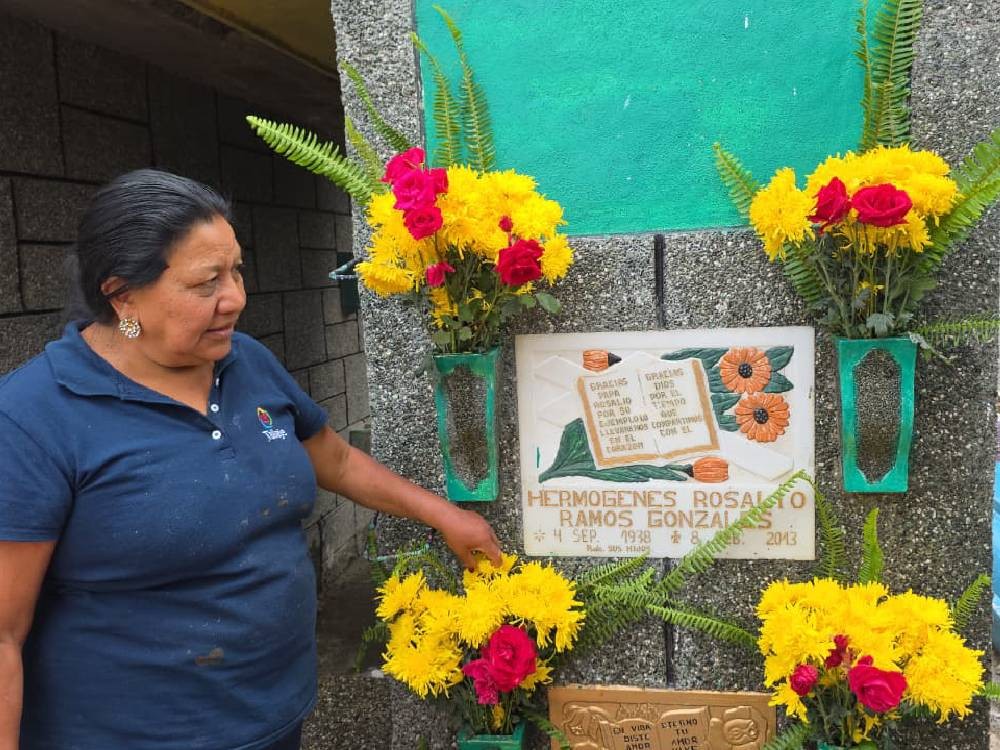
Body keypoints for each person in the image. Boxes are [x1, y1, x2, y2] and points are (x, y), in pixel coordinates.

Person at [0, 169, 501, 750]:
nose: (235, 298)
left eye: (236, 270)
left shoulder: (246, 361)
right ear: (121, 295)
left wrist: (444, 514)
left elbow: (333, 460)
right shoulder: (34, 415)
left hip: (275, 715)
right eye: (206, 282)